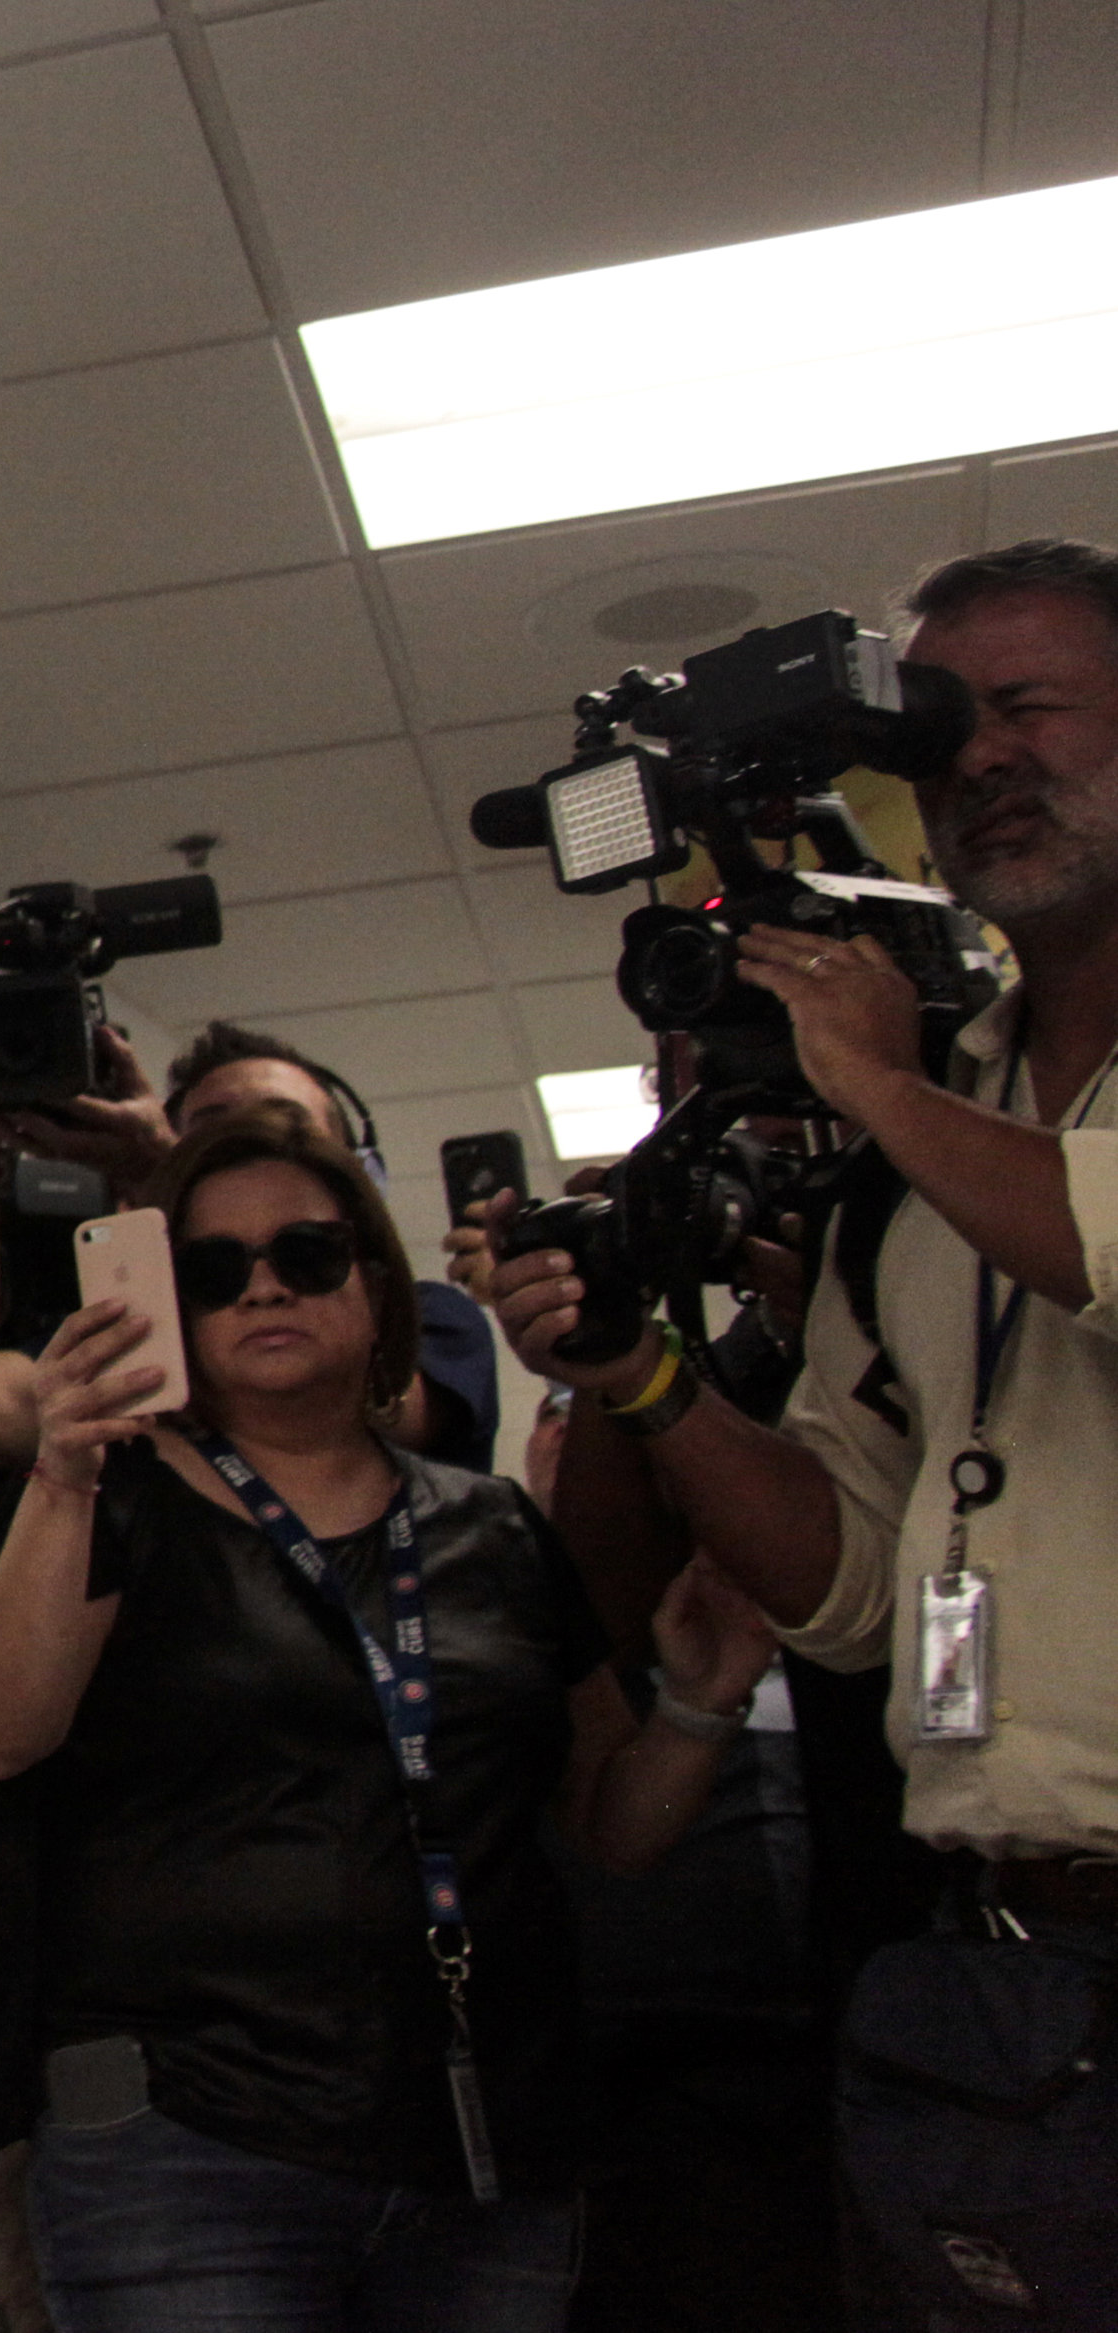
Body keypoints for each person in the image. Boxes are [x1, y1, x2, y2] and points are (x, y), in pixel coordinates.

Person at [455, 539, 1118, 2322]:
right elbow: (842, 1583)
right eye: (943, 725)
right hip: (1004, 1952)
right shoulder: (928, 1146)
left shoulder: (909, 1118)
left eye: (1033, 707)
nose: (980, 757)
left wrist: (878, 1086)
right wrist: (644, 1377)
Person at [0, 1106, 773, 2332]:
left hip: (483, 2138)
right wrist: (65, 1466)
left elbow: (612, 1824)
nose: (264, 1286)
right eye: (212, 1270)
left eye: (307, 1252)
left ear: (375, 1283)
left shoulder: (492, 1526)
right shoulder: (111, 1503)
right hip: (190, 2147)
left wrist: (703, 1701)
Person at [0, 1022, 502, 1474]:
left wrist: (162, 1176)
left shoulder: (437, 1317)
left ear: (354, 1170)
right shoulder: (131, 1332)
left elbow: (367, 1407)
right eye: (213, 1131)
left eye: (282, 1120)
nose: (249, 1144)